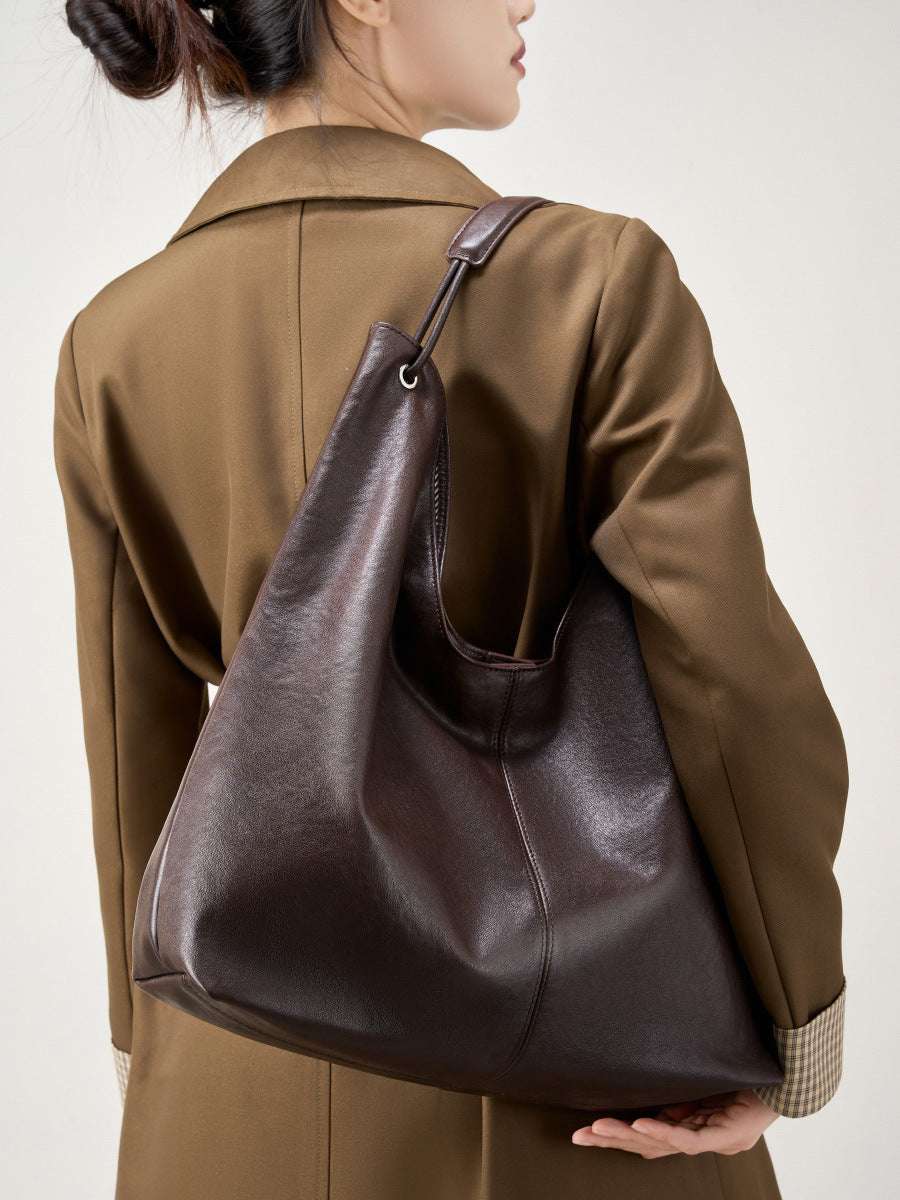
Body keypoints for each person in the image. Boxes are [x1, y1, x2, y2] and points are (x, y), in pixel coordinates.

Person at [54, 1, 848, 1198]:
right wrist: (795, 1028)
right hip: (555, 1083)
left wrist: (152, 1065)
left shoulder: (109, 343)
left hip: (219, 1102)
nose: (525, 1)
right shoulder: (588, 282)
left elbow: (135, 759)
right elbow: (733, 689)